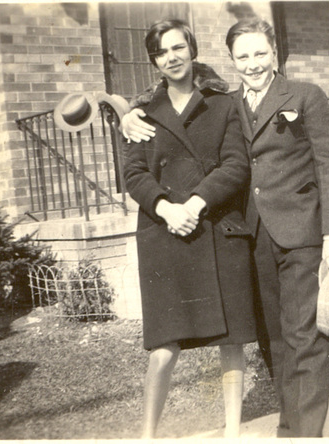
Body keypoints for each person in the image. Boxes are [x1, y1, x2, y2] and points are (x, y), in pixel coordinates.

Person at [122, 18, 329, 437]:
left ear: (274, 53)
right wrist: (127, 115)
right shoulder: (230, 104)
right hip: (254, 234)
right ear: (231, 60)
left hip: (300, 230)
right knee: (273, 338)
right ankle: (289, 424)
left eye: (260, 53)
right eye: (242, 57)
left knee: (304, 336)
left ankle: (306, 433)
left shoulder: (306, 95)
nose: (253, 64)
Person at [122, 19, 256, 439]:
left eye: (179, 47)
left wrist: (195, 203)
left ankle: (232, 432)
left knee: (231, 341)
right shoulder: (141, 114)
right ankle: (148, 435)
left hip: (215, 228)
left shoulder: (223, 103)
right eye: (162, 52)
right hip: (165, 236)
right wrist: (166, 208)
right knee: (164, 346)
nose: (172, 57)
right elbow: (134, 174)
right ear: (154, 61)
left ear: (192, 50)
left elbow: (236, 164)